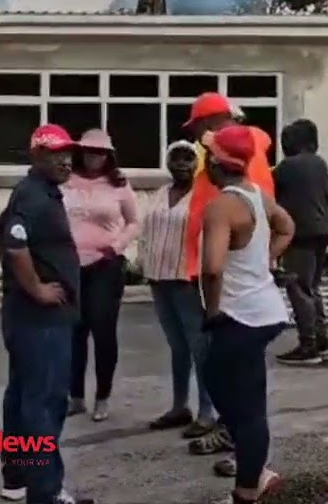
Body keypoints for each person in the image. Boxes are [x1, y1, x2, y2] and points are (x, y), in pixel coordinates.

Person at [0, 124, 94, 504]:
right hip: (40, 320)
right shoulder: (34, 195)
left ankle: (17, 476)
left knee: (22, 396)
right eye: (56, 154)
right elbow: (14, 243)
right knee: (45, 402)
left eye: (68, 153)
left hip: (28, 318)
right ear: (36, 156)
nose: (66, 160)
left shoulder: (37, 193)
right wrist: (35, 287)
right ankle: (46, 491)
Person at [198, 125, 294, 503]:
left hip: (240, 316)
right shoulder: (258, 196)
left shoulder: (221, 207)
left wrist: (211, 309)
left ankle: (249, 487)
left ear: (214, 163)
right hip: (264, 311)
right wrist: (264, 262)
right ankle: (255, 469)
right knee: (225, 387)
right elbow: (288, 228)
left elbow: (212, 268)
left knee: (246, 404)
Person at [181, 93, 275, 459]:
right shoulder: (229, 150)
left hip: (230, 279)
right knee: (233, 371)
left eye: (201, 126)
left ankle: (242, 449)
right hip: (226, 267)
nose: (198, 135)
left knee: (233, 373)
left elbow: (265, 217)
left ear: (216, 121)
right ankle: (237, 438)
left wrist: (213, 305)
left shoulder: (236, 151)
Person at [140, 140, 218, 439]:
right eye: (176, 158)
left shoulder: (204, 196)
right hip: (159, 278)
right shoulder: (161, 193)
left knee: (200, 348)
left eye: (189, 158)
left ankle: (207, 411)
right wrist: (145, 267)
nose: (182, 164)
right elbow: (148, 233)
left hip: (188, 280)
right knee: (177, 347)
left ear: (197, 163)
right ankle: (178, 406)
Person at [62, 129, 140, 423]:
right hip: (71, 264)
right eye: (90, 151)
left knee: (103, 328)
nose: (95, 157)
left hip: (105, 265)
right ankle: (76, 396)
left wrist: (116, 245)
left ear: (109, 155)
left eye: (101, 152)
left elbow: (133, 222)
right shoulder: (67, 181)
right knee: (74, 330)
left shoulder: (118, 184)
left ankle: (103, 396)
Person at [271, 119, 328, 366]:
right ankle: (323, 340)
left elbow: (267, 185)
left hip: (300, 234)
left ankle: (308, 344)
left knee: (299, 290)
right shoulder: (320, 164)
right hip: (320, 231)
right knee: (313, 288)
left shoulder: (288, 167)